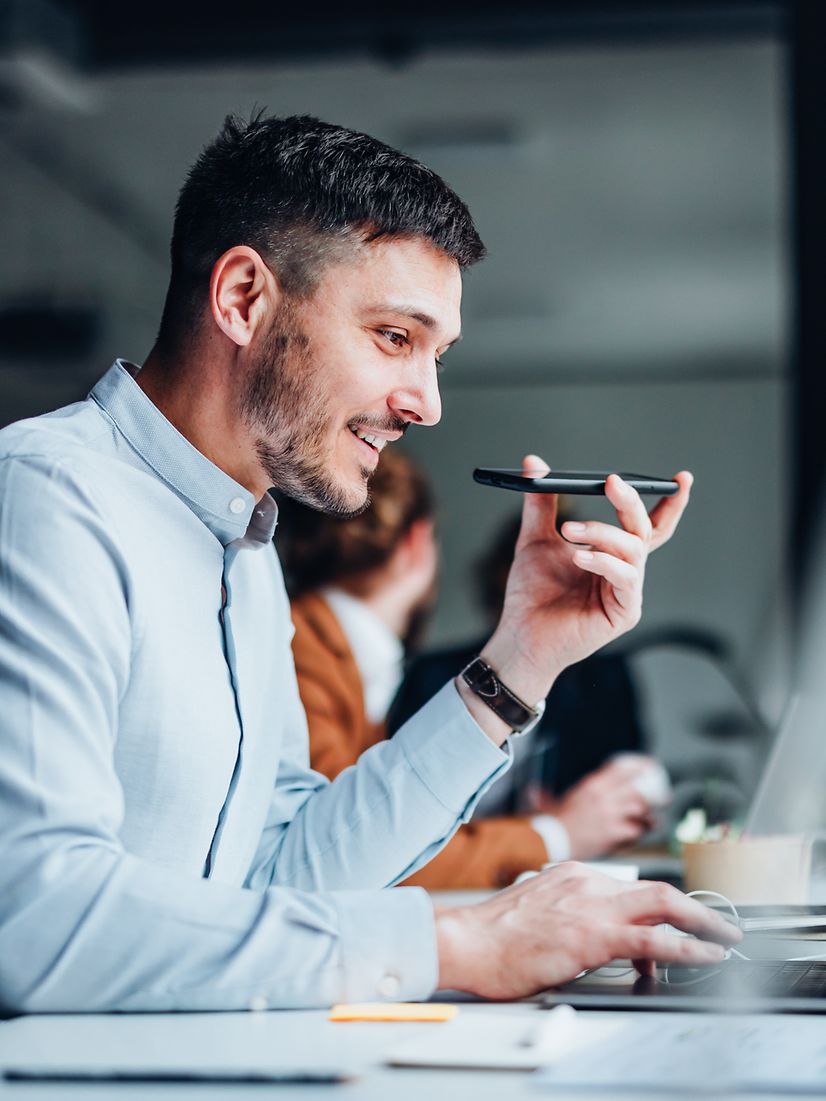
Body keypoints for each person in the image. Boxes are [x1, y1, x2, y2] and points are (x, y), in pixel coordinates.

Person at [0, 112, 737, 1014]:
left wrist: (520, 660)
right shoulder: (45, 497)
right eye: (395, 336)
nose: (426, 403)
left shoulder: (245, 551)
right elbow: (32, 917)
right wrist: (459, 941)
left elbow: (283, 872)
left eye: (439, 355)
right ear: (241, 297)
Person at [282, 450, 661, 886]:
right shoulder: (303, 650)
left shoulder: (350, 661)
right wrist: (556, 835)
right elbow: (350, 849)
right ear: (418, 543)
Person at [391, 511, 669, 862]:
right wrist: (544, 830)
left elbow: (636, 775)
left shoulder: (607, 679)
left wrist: (589, 809)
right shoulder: (432, 674)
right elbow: (402, 800)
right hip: (451, 862)